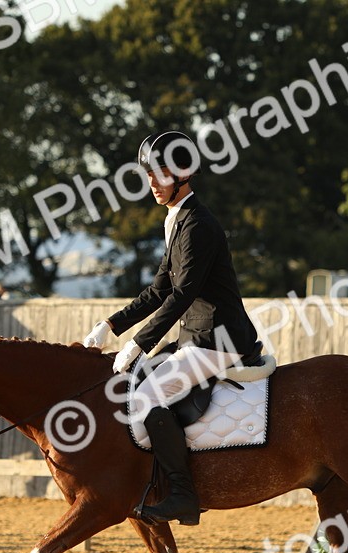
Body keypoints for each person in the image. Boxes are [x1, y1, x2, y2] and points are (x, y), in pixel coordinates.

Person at [83, 131, 260, 526]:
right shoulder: (176, 219)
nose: (151, 184)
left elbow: (182, 294)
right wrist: (110, 326)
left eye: (158, 175)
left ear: (182, 174)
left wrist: (139, 343)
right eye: (148, 176)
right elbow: (158, 290)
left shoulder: (198, 224)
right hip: (197, 336)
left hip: (219, 338)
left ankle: (182, 494)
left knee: (148, 395)